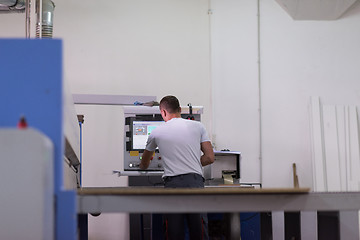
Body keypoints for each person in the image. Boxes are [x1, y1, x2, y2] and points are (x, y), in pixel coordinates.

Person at [139, 95, 215, 240]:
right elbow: (210, 157)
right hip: (195, 183)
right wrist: (192, 163)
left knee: (173, 233)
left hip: (172, 186)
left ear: (163, 112)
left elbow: (144, 163)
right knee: (198, 232)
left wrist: (143, 165)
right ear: (180, 109)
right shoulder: (198, 127)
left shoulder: (156, 132)